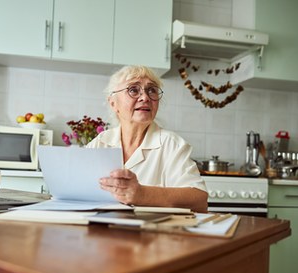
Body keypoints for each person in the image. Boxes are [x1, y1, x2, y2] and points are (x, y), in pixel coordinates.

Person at [87, 65, 208, 212]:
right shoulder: (100, 143)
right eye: (133, 90)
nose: (145, 97)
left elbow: (199, 200)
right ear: (113, 103)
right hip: (104, 231)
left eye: (152, 90)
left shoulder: (172, 145)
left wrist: (142, 194)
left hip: (155, 233)